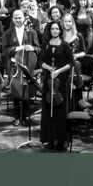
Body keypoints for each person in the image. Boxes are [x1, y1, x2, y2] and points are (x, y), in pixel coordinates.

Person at [40, 20, 74, 151]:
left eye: (57, 29)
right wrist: (49, 69)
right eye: (52, 29)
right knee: (48, 111)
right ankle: (49, 139)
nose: (54, 31)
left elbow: (71, 63)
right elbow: (40, 61)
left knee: (60, 112)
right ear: (49, 31)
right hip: (49, 81)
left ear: (60, 31)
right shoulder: (46, 45)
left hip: (61, 82)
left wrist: (58, 71)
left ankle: (61, 140)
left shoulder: (65, 45)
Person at [3, 9, 40, 126]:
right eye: (16, 18)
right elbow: (5, 50)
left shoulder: (31, 32)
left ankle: (26, 116)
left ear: (24, 18)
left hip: (28, 66)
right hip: (14, 66)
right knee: (16, 91)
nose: (18, 20)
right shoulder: (8, 33)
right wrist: (16, 49)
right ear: (12, 19)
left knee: (27, 92)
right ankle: (16, 116)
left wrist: (32, 48)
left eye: (20, 17)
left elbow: (38, 49)